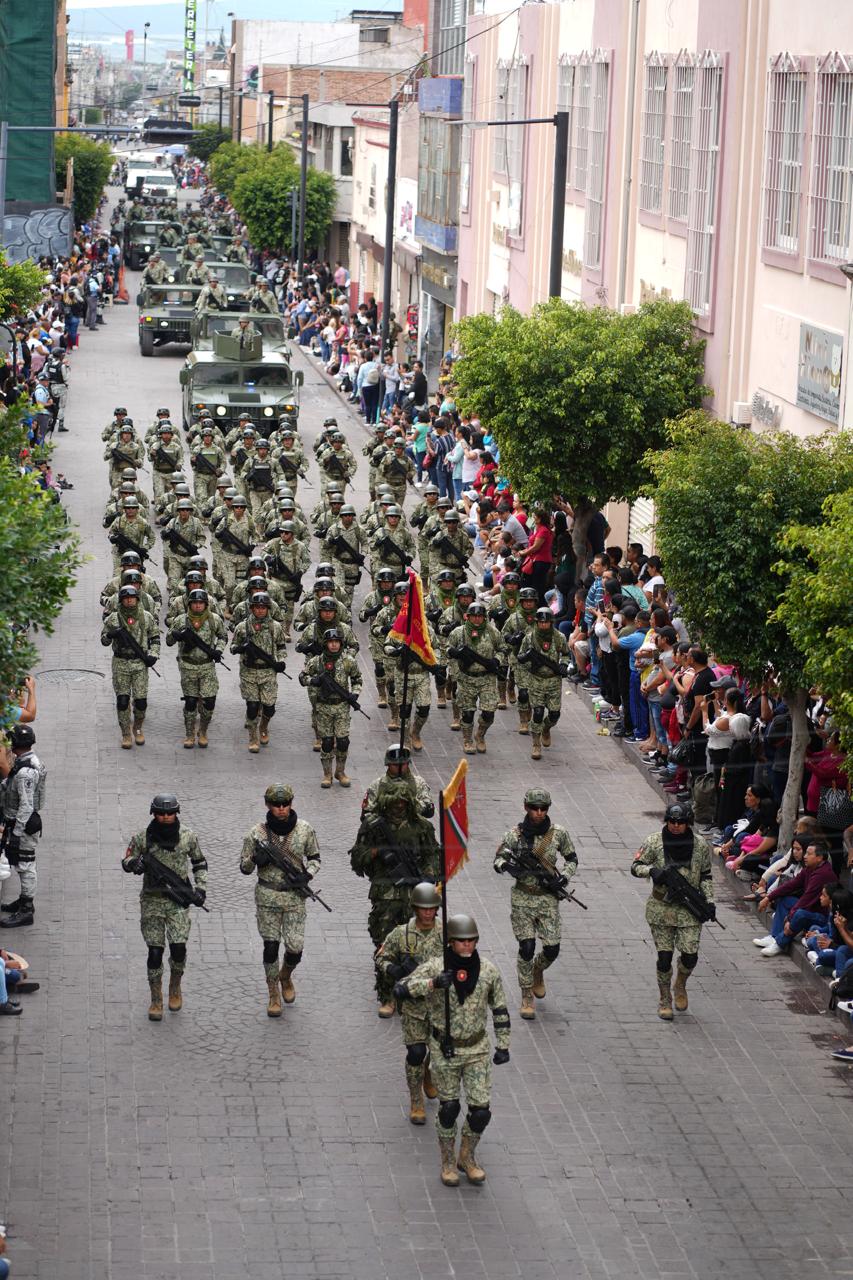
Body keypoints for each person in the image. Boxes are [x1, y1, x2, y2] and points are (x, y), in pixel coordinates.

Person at [397, 913, 511, 1186]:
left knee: (480, 1111)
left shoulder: (488, 971)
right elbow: (402, 988)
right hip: (445, 1048)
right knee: (449, 1109)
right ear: (451, 942)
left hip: (477, 1049)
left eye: (472, 941)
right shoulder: (436, 966)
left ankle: (467, 1157)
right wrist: (433, 983)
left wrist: (503, 1044)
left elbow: (500, 1008)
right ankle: (448, 1161)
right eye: (461, 941)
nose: (467, 946)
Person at [348, 785, 440, 1016]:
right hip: (385, 896)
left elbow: (433, 855)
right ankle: (387, 994)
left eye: (403, 804)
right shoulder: (372, 828)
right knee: (384, 943)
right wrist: (377, 853)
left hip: (416, 895)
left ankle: (413, 989)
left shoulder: (422, 827)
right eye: (393, 804)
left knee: (418, 943)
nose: (398, 808)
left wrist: (428, 877)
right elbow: (357, 859)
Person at [493, 788, 578, 1019]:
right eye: (534, 808)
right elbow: (498, 860)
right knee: (527, 947)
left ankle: (538, 970)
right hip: (522, 897)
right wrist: (510, 867)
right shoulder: (515, 835)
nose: (539, 813)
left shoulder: (558, 833)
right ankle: (526, 994)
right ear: (526, 808)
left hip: (547, 898)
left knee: (552, 948)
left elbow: (572, 858)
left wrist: (565, 877)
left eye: (543, 809)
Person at [121, 795, 208, 1020]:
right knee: (155, 951)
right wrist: (134, 864)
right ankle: (156, 998)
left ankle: (175, 986)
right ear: (154, 814)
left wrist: (201, 888)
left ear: (177, 813)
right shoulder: (143, 838)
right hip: (152, 901)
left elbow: (199, 862)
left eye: (170, 813)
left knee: (178, 948)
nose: (166, 817)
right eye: (161, 813)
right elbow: (127, 859)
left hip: (177, 901)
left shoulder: (188, 836)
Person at [239, 784, 321, 1016]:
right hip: (267, 896)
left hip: (294, 896)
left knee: (295, 947)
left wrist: (308, 874)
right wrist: (256, 858)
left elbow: (315, 858)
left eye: (286, 804)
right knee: (271, 946)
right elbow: (244, 867)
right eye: (277, 805)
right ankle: (273, 991)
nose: (282, 809)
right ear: (268, 805)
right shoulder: (257, 833)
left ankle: (285, 975)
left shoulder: (305, 830)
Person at [630, 802, 715, 1020]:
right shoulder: (654, 842)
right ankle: (665, 997)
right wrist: (652, 871)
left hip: (689, 909)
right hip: (661, 908)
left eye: (681, 822)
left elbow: (705, 874)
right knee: (664, 957)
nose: (676, 826)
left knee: (690, 955)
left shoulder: (700, 845)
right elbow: (635, 866)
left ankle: (681, 983)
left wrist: (710, 900)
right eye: (672, 821)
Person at [375, 882, 444, 1123]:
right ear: (415, 908)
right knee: (416, 1052)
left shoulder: (446, 933)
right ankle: (416, 1099)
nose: (428, 913)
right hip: (413, 1005)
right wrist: (393, 969)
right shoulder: (401, 934)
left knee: (437, 1051)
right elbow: (381, 956)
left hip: (440, 1004)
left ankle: (429, 1073)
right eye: (423, 908)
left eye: (432, 908)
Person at [298, 628, 362, 787]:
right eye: (331, 642)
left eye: (337, 642)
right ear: (326, 644)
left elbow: (357, 679)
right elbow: (302, 677)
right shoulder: (317, 661)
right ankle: (327, 774)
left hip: (341, 706)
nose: (334, 645)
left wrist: (355, 694)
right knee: (326, 742)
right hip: (324, 707)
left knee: (343, 741)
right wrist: (314, 681)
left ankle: (340, 771)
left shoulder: (348, 661)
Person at [165, 588, 227, 749]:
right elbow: (169, 640)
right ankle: (190, 734)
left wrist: (218, 650)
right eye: (195, 603)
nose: (198, 606)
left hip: (207, 666)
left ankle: (203, 730)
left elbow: (223, 636)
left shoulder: (214, 619)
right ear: (190, 604)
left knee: (209, 702)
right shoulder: (180, 620)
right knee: (191, 702)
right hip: (188, 666)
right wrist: (176, 635)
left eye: (201, 603)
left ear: (206, 604)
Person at [100, 585, 160, 749]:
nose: (129, 601)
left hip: (139, 663)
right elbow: (104, 640)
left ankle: (138, 727)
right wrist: (110, 635)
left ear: (137, 599)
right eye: (125, 598)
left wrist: (153, 655)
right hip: (121, 663)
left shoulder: (146, 617)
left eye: (132, 598)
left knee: (141, 702)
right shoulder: (113, 618)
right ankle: (126, 733)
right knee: (122, 700)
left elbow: (155, 637)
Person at [0, 726, 47, 930]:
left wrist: (17, 833)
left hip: (24, 825)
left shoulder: (26, 771)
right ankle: (23, 900)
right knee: (23, 863)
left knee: (26, 865)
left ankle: (26, 909)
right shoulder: (27, 762)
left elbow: (26, 805)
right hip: (23, 822)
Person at [231, 591, 287, 752]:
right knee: (252, 707)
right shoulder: (243, 627)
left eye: (263, 607)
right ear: (252, 608)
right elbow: (233, 646)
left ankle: (264, 725)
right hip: (249, 672)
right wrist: (240, 648)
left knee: (269, 707)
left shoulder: (275, 627)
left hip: (268, 672)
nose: (260, 610)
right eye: (257, 607)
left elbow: (282, 646)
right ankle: (253, 737)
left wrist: (281, 661)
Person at [447, 602, 505, 754]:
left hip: (487, 678)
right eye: (474, 616)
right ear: (468, 617)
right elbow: (447, 650)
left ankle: (480, 734)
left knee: (489, 712)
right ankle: (467, 740)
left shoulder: (492, 632)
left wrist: (497, 660)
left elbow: (503, 649)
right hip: (466, 678)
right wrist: (455, 669)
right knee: (467, 713)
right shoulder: (458, 633)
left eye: (480, 616)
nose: (477, 620)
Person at [517, 608, 571, 760]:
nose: (543, 625)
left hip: (554, 680)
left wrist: (564, 665)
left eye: (546, 622)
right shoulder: (530, 637)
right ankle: (536, 744)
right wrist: (529, 663)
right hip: (536, 680)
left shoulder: (559, 637)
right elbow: (520, 657)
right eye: (541, 622)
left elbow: (566, 653)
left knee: (554, 714)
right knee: (538, 713)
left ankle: (546, 728)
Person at [361, 746, 435, 819]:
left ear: (408, 763)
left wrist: (410, 805)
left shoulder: (418, 783)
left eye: (403, 764)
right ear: (388, 764)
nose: (399, 767)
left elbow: (429, 811)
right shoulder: (377, 784)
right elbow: (366, 814)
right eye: (395, 765)